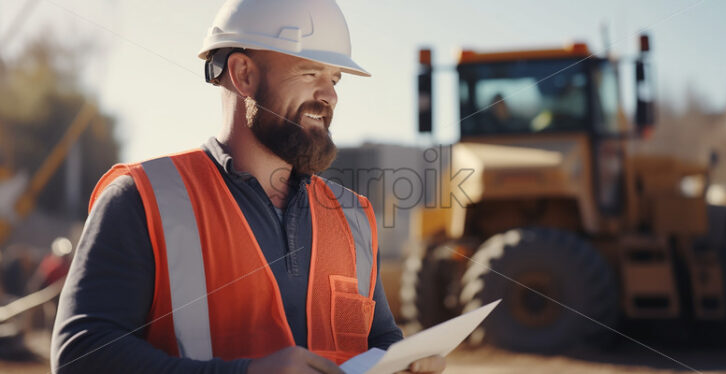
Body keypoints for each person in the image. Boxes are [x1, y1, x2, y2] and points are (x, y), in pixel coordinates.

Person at [51, 0, 446, 373]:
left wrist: (403, 360)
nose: (329, 95)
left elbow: (376, 340)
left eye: (335, 78)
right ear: (243, 74)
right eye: (310, 73)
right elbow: (81, 355)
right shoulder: (142, 200)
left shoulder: (353, 216)